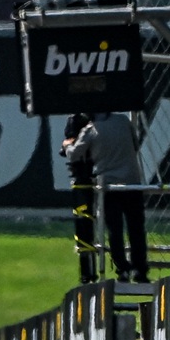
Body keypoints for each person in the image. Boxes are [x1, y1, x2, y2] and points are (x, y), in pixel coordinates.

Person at [67, 111, 147, 282]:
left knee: (115, 230)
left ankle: (122, 269)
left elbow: (74, 154)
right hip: (132, 182)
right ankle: (140, 269)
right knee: (136, 229)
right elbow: (135, 144)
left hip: (109, 186)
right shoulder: (123, 121)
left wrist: (68, 144)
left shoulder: (90, 130)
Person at [60, 113, 100, 283]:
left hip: (86, 180)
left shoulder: (82, 122)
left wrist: (69, 146)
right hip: (90, 179)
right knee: (85, 227)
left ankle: (88, 273)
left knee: (85, 226)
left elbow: (70, 151)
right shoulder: (94, 120)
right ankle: (88, 272)